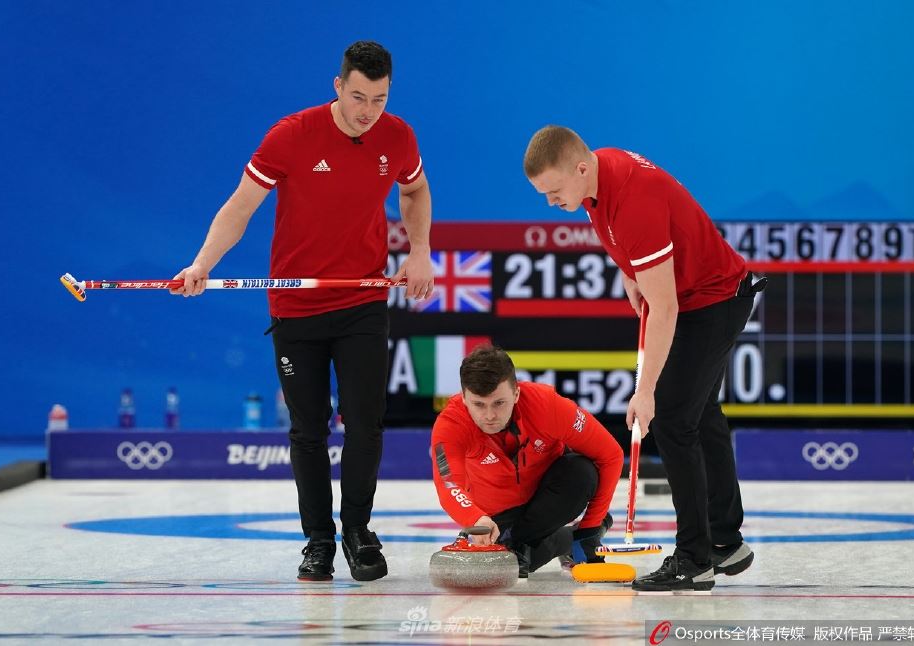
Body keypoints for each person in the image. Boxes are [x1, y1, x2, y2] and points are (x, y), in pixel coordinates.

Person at [171, 41, 434, 582]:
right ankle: (318, 541)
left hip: (361, 299)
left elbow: (414, 190)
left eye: (379, 99)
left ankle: (358, 531)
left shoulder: (398, 136)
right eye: (358, 97)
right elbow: (241, 206)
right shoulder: (290, 136)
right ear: (337, 86)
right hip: (296, 307)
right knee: (308, 429)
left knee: (365, 423)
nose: (368, 111)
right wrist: (201, 264)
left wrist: (420, 250)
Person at [523, 126, 763, 591]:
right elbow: (624, 236)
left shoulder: (633, 201)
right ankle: (725, 541)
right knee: (700, 414)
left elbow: (665, 308)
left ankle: (694, 560)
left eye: (553, 191)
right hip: (701, 295)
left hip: (712, 300)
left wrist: (645, 391)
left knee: (673, 420)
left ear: (581, 168)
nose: (550, 202)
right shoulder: (597, 173)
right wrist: (631, 271)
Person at [431, 346, 624, 577]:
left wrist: (590, 529)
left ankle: (531, 540)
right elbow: (449, 485)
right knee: (517, 564)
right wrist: (475, 518)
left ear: (516, 393)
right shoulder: (451, 424)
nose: (489, 416)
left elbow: (610, 455)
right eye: (479, 404)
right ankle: (560, 541)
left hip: (550, 498)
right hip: (496, 516)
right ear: (464, 398)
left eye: (499, 403)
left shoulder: (547, 405)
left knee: (581, 472)